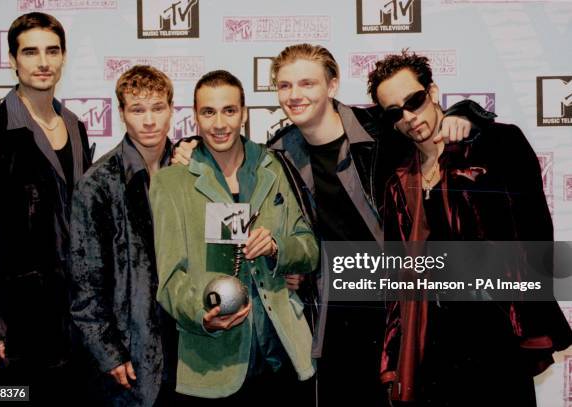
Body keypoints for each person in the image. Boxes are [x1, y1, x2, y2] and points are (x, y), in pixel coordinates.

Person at [172, 43, 487, 406]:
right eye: (285, 85)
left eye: (307, 83)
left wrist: (467, 113)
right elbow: (228, 154)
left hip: (401, 303)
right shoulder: (279, 154)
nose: (295, 95)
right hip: (333, 311)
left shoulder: (379, 130)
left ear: (332, 85)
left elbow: (427, 121)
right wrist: (189, 147)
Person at [368, 50, 572, 406]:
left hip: (496, 327)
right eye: (395, 112)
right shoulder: (399, 177)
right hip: (431, 337)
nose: (409, 116)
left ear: (432, 92)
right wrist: (394, 357)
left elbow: (535, 226)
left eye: (414, 100)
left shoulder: (495, 146)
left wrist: (475, 121)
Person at [149, 70, 318, 404]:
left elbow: (308, 247)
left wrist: (276, 247)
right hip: (215, 363)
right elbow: (170, 279)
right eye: (208, 112)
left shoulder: (273, 165)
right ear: (195, 116)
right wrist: (203, 314)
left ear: (243, 113)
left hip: (283, 354)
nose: (219, 123)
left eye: (229, 111)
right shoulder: (172, 182)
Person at [0, 12, 94, 403]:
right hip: (11, 333)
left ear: (64, 57)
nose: (43, 62)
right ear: (12, 60)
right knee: (10, 401)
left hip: (71, 323)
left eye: (52, 51)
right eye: (30, 51)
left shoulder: (74, 126)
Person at [69, 65, 178, 406]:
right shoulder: (97, 184)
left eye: (158, 108)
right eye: (138, 110)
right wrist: (109, 353)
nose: (149, 121)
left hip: (189, 350)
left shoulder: (191, 171)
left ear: (172, 110)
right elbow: (84, 283)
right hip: (131, 354)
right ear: (121, 114)